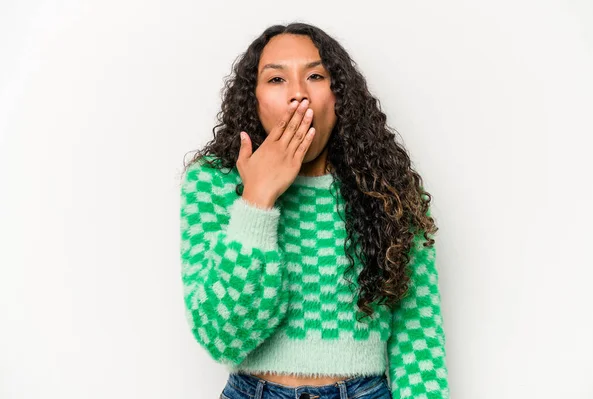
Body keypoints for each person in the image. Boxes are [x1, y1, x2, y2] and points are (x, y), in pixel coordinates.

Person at [179, 22, 449, 399]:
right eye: (276, 80)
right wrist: (257, 200)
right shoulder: (213, 183)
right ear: (253, 98)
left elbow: (418, 337)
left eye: (316, 76)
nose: (298, 96)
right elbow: (223, 339)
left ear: (339, 97)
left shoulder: (387, 189)